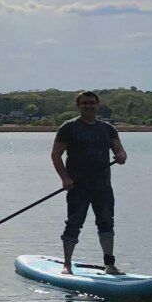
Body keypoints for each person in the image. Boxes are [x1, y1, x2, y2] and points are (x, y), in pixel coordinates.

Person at [51, 90, 127, 274]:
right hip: (77, 187)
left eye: (91, 103)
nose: (88, 106)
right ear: (79, 106)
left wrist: (121, 156)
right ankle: (67, 265)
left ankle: (109, 264)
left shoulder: (107, 128)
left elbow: (121, 152)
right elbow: (56, 154)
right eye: (84, 103)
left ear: (97, 105)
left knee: (106, 223)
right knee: (74, 223)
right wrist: (65, 179)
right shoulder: (68, 128)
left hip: (103, 187)